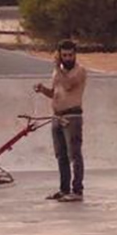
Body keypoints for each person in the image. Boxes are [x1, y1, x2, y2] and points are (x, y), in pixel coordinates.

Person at [34, 39, 88, 203]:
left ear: (75, 55)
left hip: (72, 117)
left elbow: (68, 86)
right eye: (64, 55)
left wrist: (58, 67)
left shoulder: (79, 71)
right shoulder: (58, 71)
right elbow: (56, 93)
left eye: (70, 55)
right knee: (61, 156)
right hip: (57, 116)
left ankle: (77, 190)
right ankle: (64, 189)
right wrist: (43, 90)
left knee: (74, 154)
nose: (67, 58)